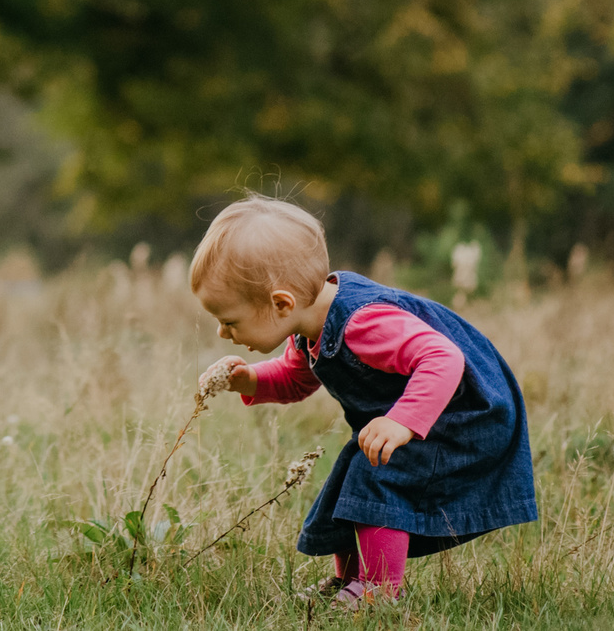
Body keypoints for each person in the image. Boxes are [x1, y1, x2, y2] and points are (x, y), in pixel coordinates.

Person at [191, 197, 535, 605]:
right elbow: (295, 378)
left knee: (376, 477)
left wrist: (402, 420)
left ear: (281, 303)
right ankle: (351, 581)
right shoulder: (306, 324)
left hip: (466, 418)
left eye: (229, 321)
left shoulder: (363, 322)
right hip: (429, 415)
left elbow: (443, 357)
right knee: (354, 473)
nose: (222, 333)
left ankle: (379, 591)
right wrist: (249, 380)